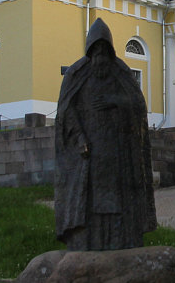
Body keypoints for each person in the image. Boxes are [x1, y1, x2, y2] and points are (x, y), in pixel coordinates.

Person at [54, 18, 157, 250]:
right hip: (89, 154)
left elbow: (137, 105)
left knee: (117, 201)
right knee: (90, 200)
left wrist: (114, 101)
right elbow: (66, 110)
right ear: (90, 52)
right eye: (96, 52)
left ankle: (121, 241)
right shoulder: (76, 74)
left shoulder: (121, 73)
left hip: (117, 153)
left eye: (104, 52)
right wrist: (79, 138)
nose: (100, 58)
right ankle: (88, 242)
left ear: (109, 52)